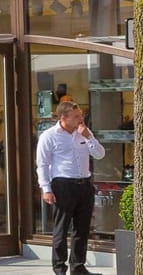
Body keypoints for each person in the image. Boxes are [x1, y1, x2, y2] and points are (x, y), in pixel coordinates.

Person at [36, 99, 103, 275]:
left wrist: (89, 137)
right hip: (63, 185)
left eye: (81, 115)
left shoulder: (84, 133)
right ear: (64, 118)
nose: (81, 119)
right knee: (61, 228)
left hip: (84, 185)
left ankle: (78, 266)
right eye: (76, 116)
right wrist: (46, 189)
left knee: (82, 228)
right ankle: (59, 268)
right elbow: (42, 164)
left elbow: (99, 154)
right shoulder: (49, 136)